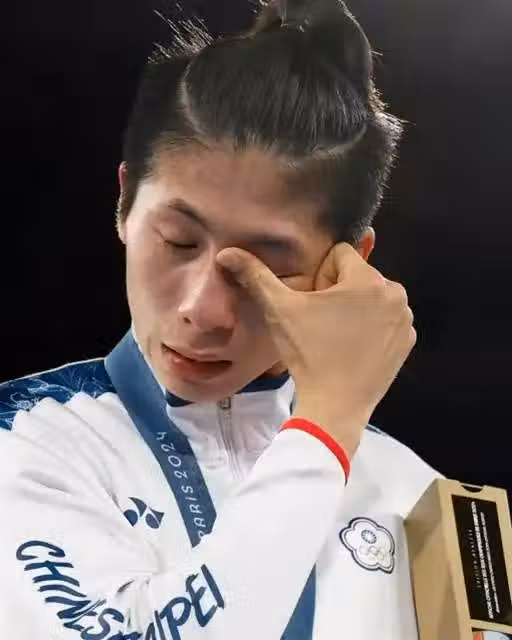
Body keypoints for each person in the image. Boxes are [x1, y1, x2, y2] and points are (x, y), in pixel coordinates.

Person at [0, 0, 447, 638]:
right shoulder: (24, 443)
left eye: (264, 269)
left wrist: (330, 428)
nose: (202, 310)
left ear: (346, 269)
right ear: (125, 203)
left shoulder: (418, 497)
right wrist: (326, 427)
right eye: (178, 242)